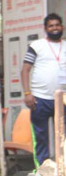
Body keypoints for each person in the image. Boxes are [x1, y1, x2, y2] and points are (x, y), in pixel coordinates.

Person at [21, 13, 66, 166]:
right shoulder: (37, 46)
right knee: (41, 136)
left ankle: (63, 168)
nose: (55, 28)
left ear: (62, 27)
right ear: (45, 29)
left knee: (63, 136)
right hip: (40, 99)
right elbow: (25, 70)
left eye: (57, 25)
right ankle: (42, 170)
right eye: (51, 25)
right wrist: (27, 94)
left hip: (62, 99)